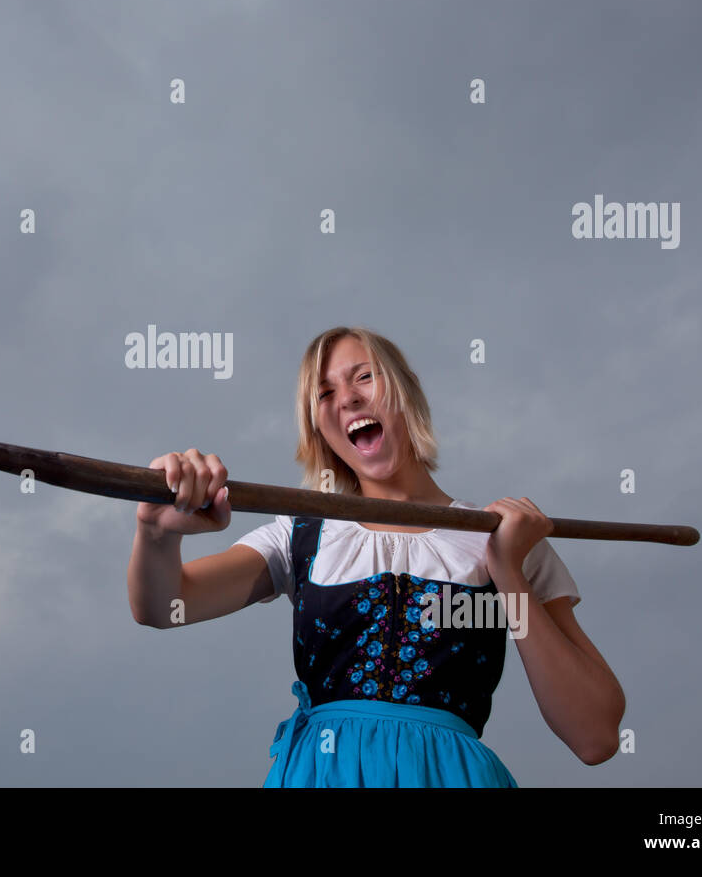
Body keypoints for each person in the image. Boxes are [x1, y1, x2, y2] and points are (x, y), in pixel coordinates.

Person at [127, 325, 625, 787]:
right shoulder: (299, 537)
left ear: (406, 391)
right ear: (319, 426)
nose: (347, 398)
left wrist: (509, 574)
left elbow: (596, 736)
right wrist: (155, 533)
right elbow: (163, 607)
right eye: (324, 394)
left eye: (364, 376)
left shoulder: (509, 538)